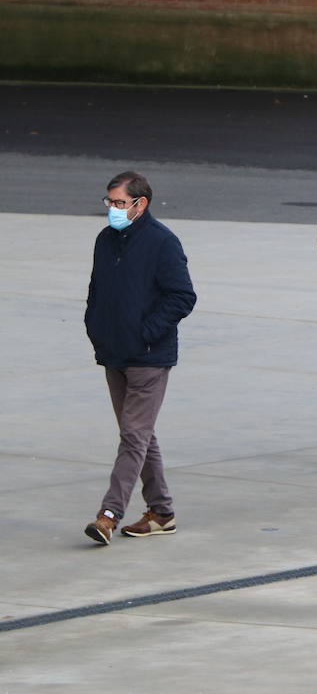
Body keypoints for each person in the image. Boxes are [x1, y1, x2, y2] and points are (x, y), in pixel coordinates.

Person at [83, 171, 196, 545]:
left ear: (140, 204)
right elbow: (97, 288)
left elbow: (182, 296)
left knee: (133, 435)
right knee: (139, 436)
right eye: (109, 202)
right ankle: (162, 512)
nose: (112, 209)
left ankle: (108, 515)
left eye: (119, 203)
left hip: (148, 356)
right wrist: (95, 327)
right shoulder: (105, 240)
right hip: (113, 352)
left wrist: (146, 333)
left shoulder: (162, 242)